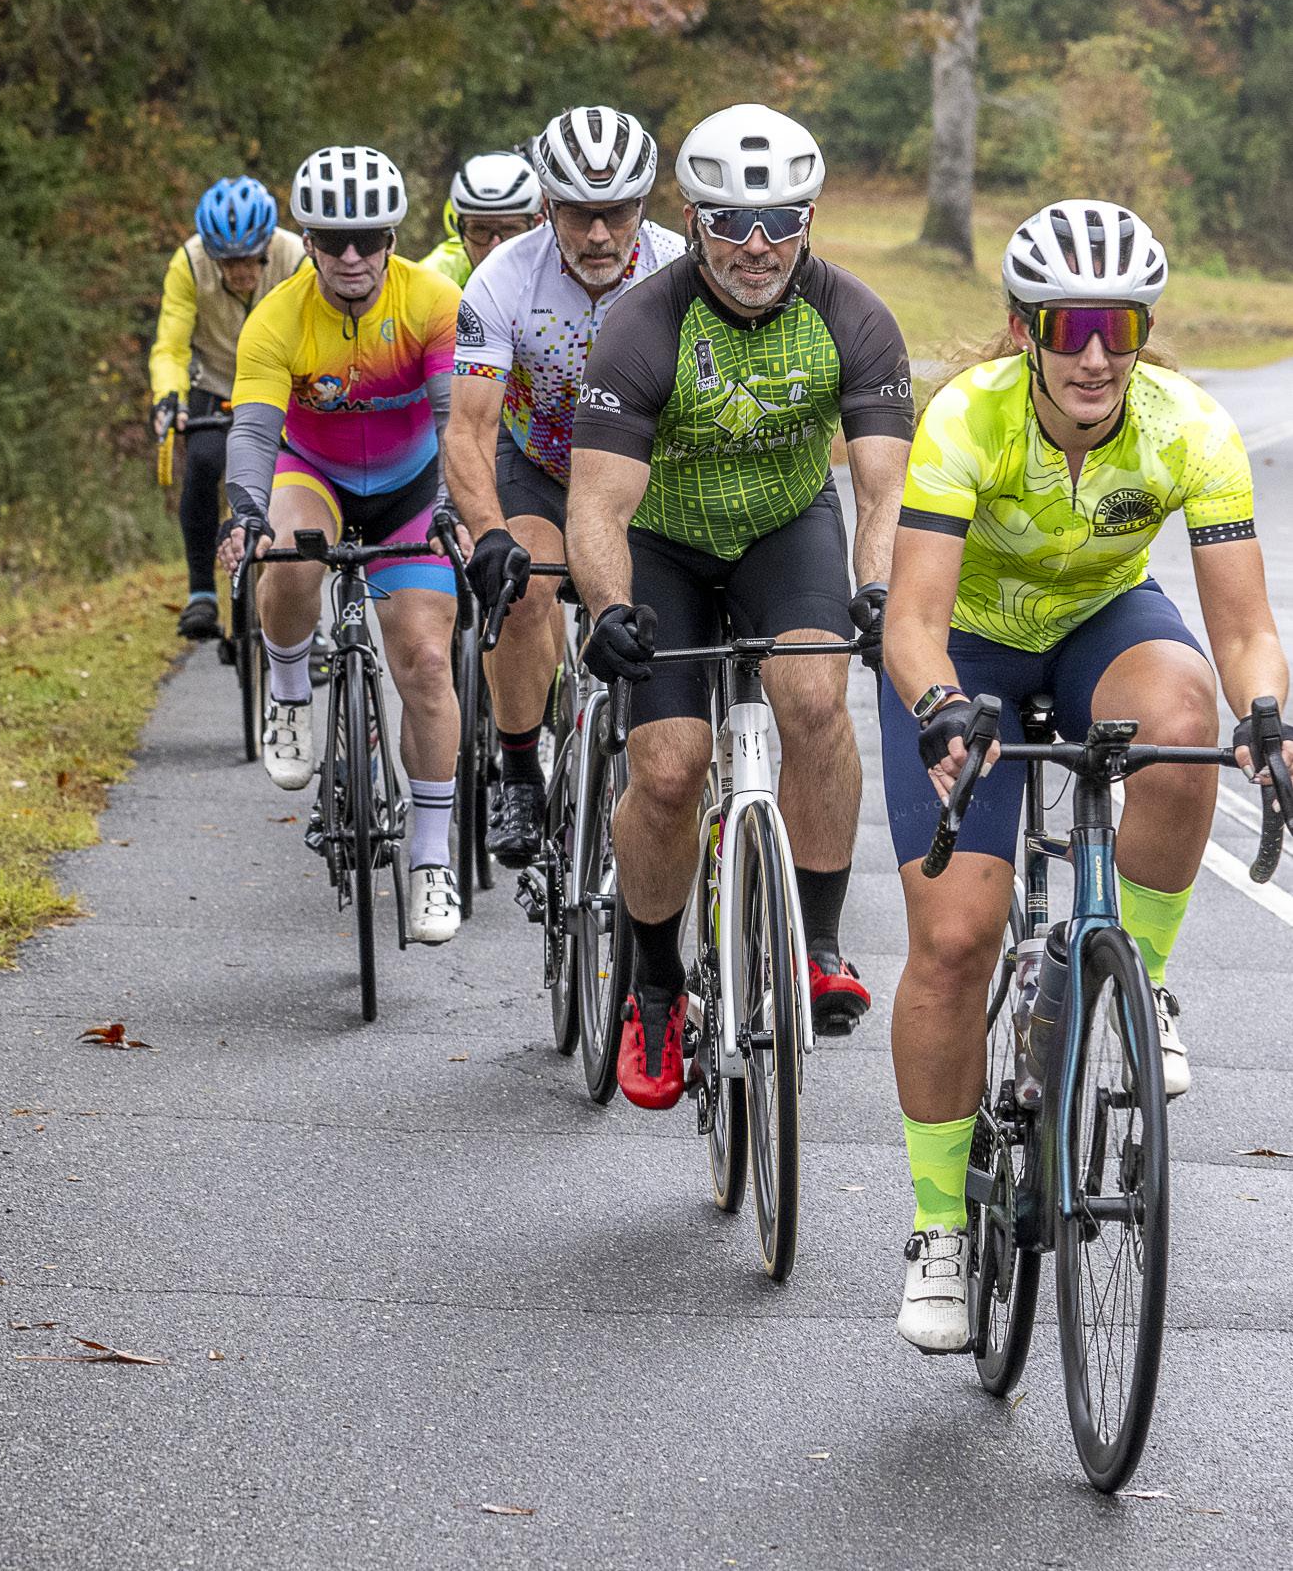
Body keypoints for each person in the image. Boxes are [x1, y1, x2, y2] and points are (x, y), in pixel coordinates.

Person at [880, 198, 1293, 1353]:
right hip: (966, 652)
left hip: (1100, 626)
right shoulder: (968, 417)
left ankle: (1138, 978)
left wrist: (1270, 716)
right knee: (954, 942)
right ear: (1025, 329)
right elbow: (910, 620)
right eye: (1071, 327)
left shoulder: (1187, 427)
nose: (1098, 354)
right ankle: (939, 1228)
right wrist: (939, 705)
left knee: (1186, 714)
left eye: (1121, 325)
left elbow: (1244, 628)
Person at [565, 103, 915, 1108]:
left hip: (782, 531)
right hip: (663, 546)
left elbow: (883, 490)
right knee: (670, 770)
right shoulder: (643, 325)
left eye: (779, 221)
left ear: (809, 220)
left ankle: (817, 944)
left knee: (814, 700)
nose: (756, 246)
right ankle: (655, 988)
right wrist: (608, 607)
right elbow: (596, 506)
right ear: (692, 219)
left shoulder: (854, 317)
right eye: (729, 223)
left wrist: (877, 590)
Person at [216, 146, 466, 946]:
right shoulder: (276, 317)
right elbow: (255, 431)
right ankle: (289, 694)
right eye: (331, 240)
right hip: (313, 473)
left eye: (367, 239)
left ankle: (431, 863)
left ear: (392, 238)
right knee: (286, 551)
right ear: (309, 241)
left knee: (425, 663)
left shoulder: (433, 301)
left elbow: (457, 420)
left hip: (411, 488)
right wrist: (244, 511)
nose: (350, 256)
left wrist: (456, 507)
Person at [443, 106, 684, 867]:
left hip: (648, 480)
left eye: (618, 212)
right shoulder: (501, 278)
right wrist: (488, 532)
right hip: (541, 471)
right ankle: (519, 771)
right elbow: (468, 430)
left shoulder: (681, 269)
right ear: (546, 205)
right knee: (522, 588)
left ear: (644, 204)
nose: (600, 235)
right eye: (579, 214)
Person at [149, 176, 306, 638]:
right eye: (228, 262)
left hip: (284, 382)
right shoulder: (188, 263)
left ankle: (299, 608)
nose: (240, 272)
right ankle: (201, 593)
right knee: (202, 462)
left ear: (267, 246)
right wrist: (168, 396)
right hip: (218, 381)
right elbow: (171, 346)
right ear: (211, 254)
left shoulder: (297, 257)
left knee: (293, 476)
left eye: (249, 258)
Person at [420, 152, 544, 287]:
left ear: (538, 225)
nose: (495, 246)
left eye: (509, 229)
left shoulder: (557, 266)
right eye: (480, 229)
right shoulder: (441, 270)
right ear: (461, 232)